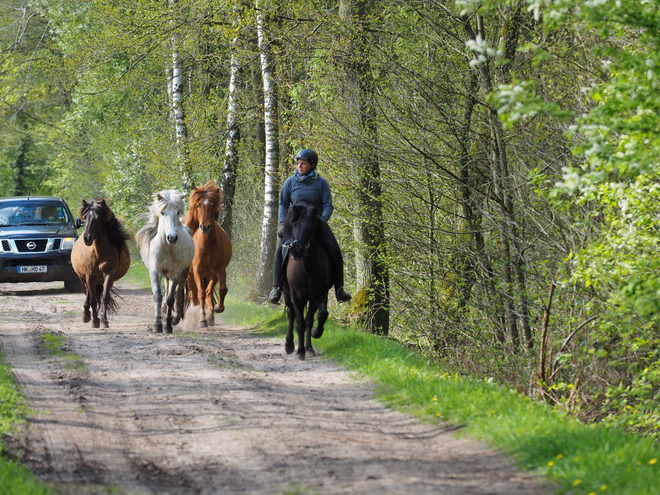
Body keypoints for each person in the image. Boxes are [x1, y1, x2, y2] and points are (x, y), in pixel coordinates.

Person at [268, 149, 352, 305]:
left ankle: (339, 288)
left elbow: (328, 205)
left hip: (316, 223)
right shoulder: (290, 182)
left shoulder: (321, 183)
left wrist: (322, 220)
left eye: (303, 163)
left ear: (312, 165)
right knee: (281, 249)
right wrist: (282, 223)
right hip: (294, 225)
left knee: (335, 249)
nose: (299, 166)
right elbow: (283, 203)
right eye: (298, 163)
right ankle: (277, 288)